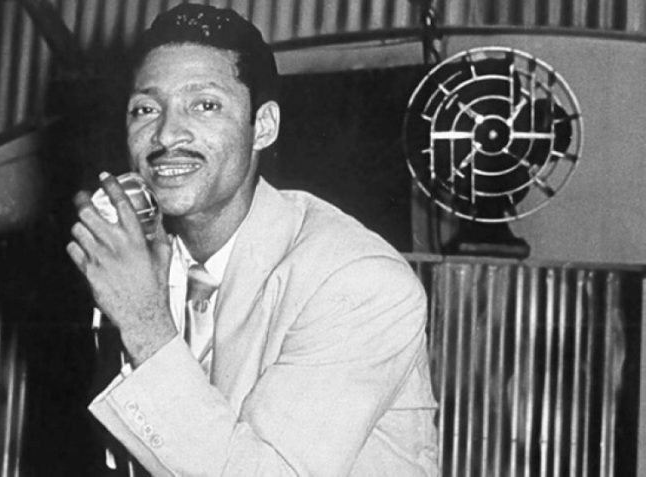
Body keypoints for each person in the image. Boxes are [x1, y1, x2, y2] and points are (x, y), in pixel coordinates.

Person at [66, 3, 438, 476]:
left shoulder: (358, 281)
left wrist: (143, 321)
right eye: (146, 109)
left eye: (205, 105)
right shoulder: (143, 264)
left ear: (263, 127)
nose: (166, 134)